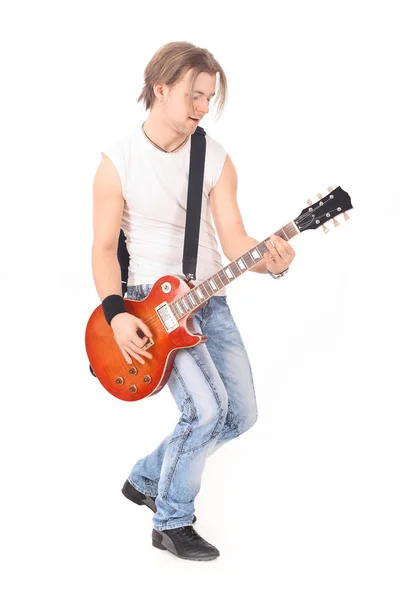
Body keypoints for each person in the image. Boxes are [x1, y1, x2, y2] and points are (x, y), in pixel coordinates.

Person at [91, 41, 296, 561]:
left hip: (210, 301)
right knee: (205, 410)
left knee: (240, 414)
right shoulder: (118, 162)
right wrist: (115, 316)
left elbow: (234, 239)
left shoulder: (216, 158)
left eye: (209, 98)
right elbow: (101, 248)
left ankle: (145, 477)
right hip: (147, 307)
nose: (203, 107)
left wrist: (270, 259)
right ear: (160, 89)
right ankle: (171, 521)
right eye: (194, 95)